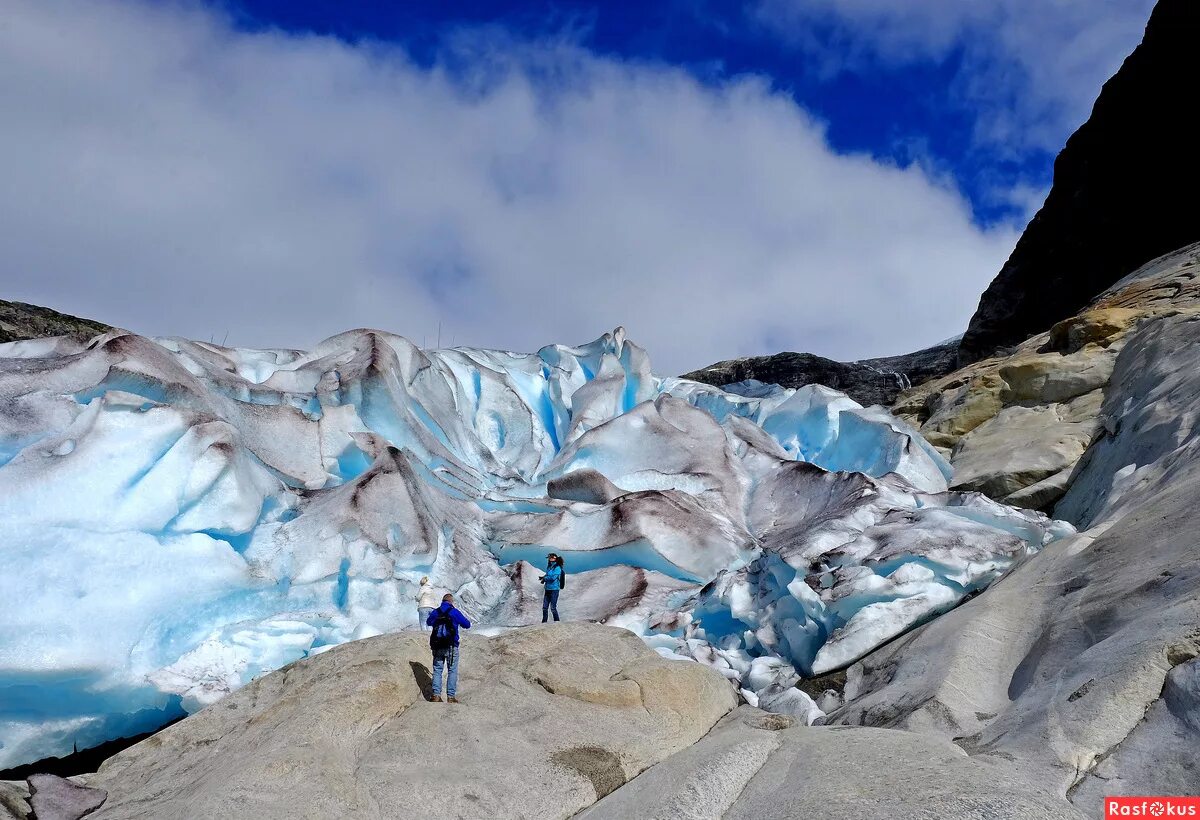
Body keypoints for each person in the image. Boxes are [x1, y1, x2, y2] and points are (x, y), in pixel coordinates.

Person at [426, 593, 471, 703]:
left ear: (442, 601)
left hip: (437, 646)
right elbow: (467, 624)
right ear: (451, 602)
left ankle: (436, 695)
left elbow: (428, 622)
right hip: (451, 646)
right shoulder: (454, 612)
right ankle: (450, 697)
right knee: (452, 670)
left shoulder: (436, 612)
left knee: (437, 670)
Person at [539, 553, 564, 623]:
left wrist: (545, 579)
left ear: (554, 558)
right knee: (544, 607)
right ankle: (544, 622)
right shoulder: (549, 567)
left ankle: (557, 622)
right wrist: (543, 577)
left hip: (554, 589)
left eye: (550, 558)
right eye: (549, 558)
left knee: (553, 608)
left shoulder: (557, 567)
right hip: (547, 589)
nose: (549, 559)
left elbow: (553, 578)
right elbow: (548, 575)